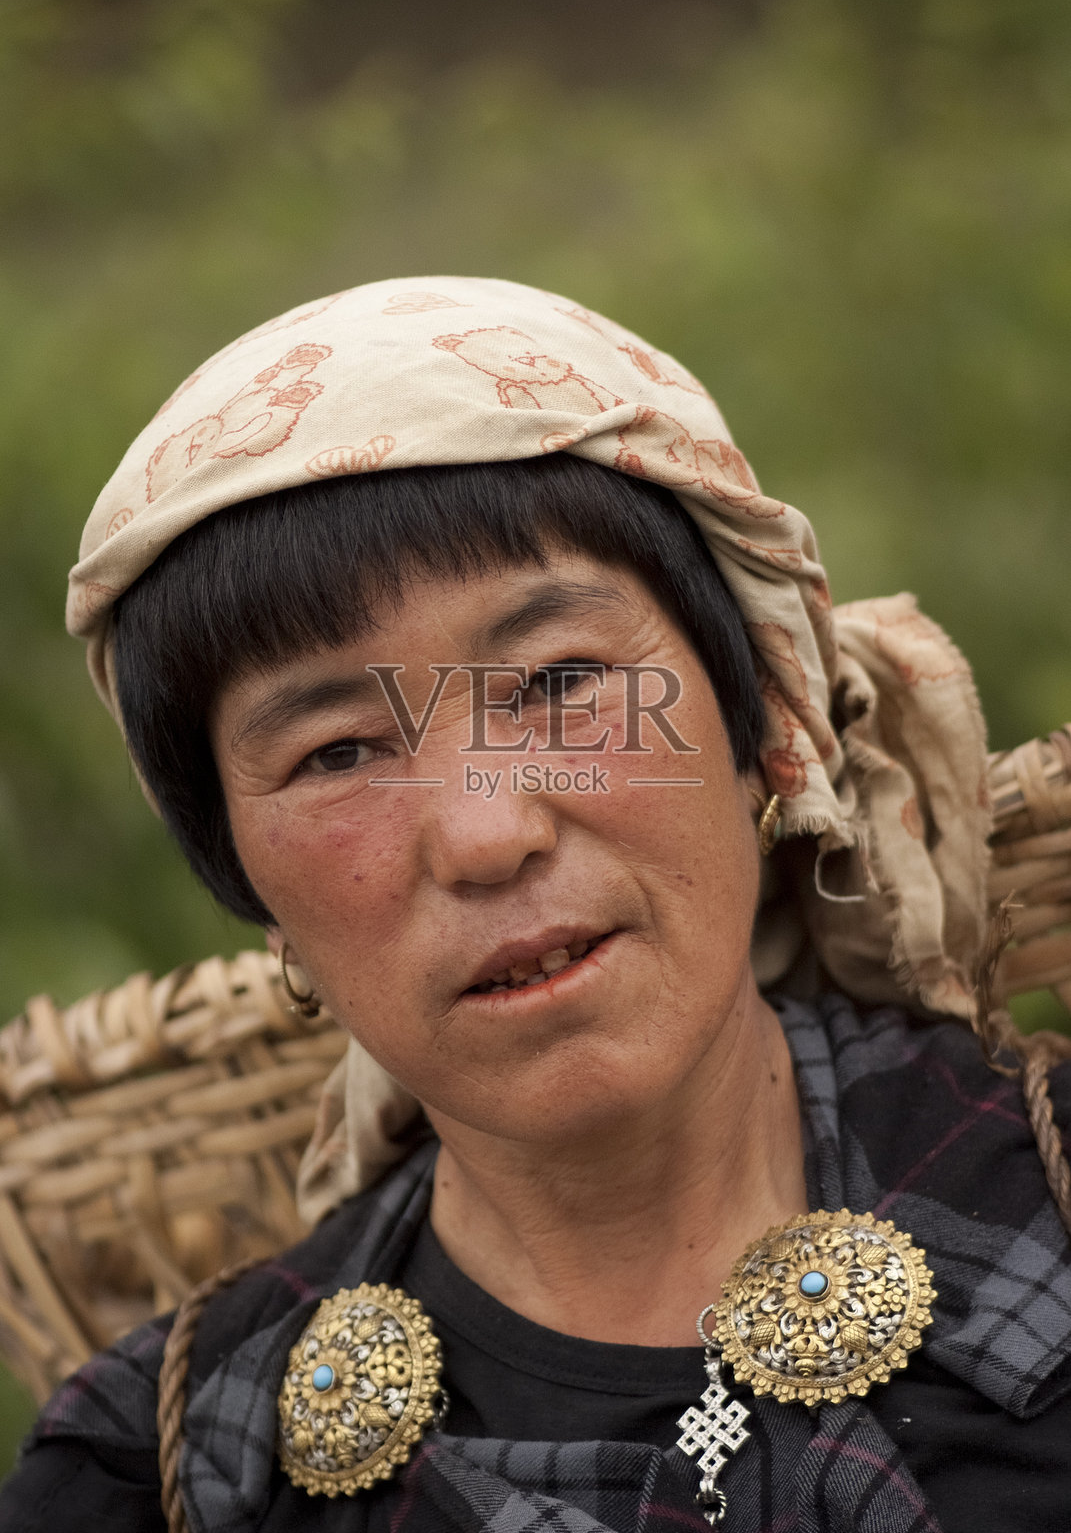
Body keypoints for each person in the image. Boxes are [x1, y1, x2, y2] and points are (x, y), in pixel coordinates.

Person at [1, 276, 1069, 1532]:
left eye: (561, 679)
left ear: (765, 733)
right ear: (253, 893)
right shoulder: (166, 1473)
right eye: (336, 752)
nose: (488, 833)